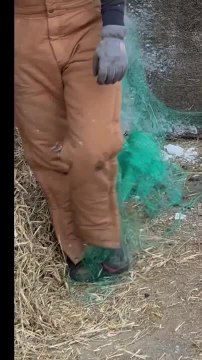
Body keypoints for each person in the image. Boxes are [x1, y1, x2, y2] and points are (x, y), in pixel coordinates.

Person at [15, 0, 128, 282]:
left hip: (85, 24)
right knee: (48, 150)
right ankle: (79, 249)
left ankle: (104, 237)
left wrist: (113, 31)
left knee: (94, 143)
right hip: (23, 33)